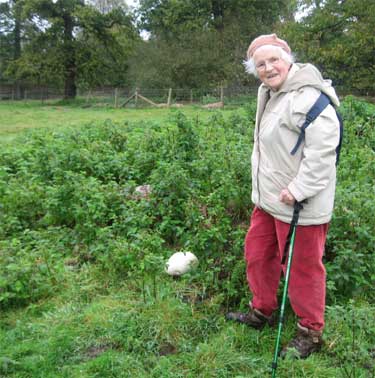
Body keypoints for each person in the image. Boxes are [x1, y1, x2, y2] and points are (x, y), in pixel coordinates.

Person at [226, 34, 341, 358]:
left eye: (273, 60)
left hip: (300, 203)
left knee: (303, 268)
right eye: (260, 64)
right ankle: (261, 310)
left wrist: (299, 189)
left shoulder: (310, 98)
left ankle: (309, 331)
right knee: (258, 255)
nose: (268, 67)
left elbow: (323, 154)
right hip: (269, 200)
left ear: (288, 59)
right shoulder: (271, 93)